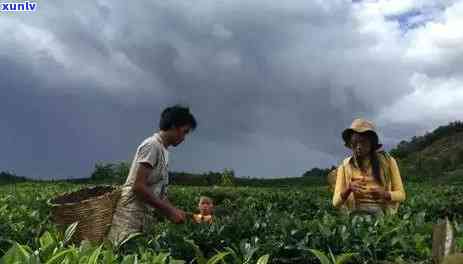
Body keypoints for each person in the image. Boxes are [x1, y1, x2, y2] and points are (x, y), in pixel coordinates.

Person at [107, 105, 197, 244]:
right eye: (184, 132)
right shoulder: (152, 145)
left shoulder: (163, 151)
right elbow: (138, 187)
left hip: (143, 219)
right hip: (129, 218)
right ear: (173, 126)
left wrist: (175, 210)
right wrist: (169, 211)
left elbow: (158, 193)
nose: (184, 137)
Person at [332, 118, 405, 216]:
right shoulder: (345, 166)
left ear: (371, 143)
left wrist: (385, 194)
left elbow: (401, 195)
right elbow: (335, 202)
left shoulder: (388, 162)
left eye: (363, 142)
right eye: (355, 142)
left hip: (381, 215)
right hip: (356, 215)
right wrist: (348, 189)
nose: (358, 146)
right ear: (350, 143)